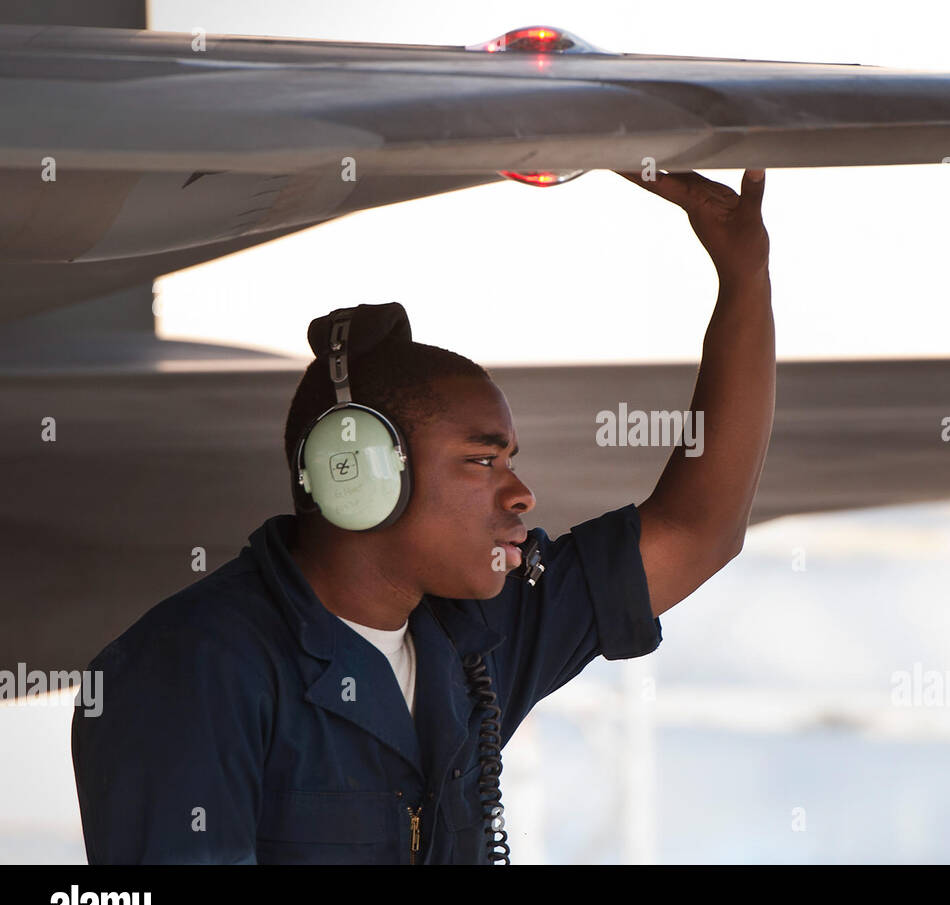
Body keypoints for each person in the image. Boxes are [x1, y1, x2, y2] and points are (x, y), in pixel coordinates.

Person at [70, 167, 774, 864]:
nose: (520, 492)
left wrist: (745, 278)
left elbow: (697, 530)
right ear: (359, 472)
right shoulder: (190, 672)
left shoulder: (474, 638)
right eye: (483, 460)